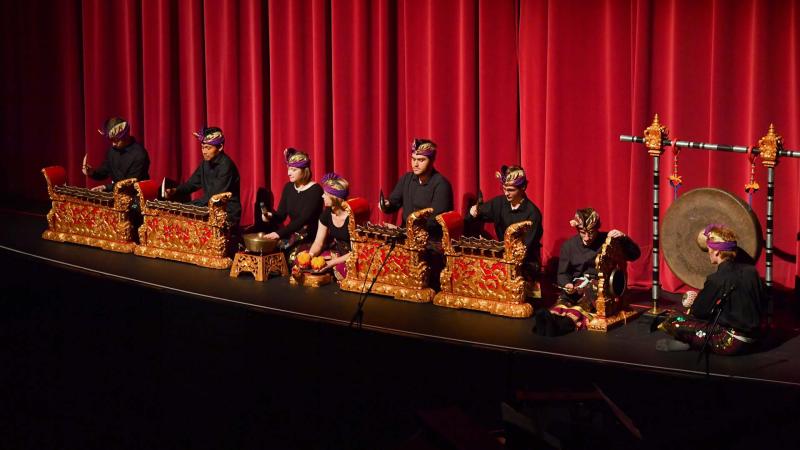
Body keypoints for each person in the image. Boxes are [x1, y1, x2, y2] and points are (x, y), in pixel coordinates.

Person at [654, 224, 765, 354]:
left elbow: (699, 312)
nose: (708, 253)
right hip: (757, 339)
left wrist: (693, 301)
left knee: (674, 319)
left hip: (730, 342)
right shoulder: (752, 271)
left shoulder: (716, 278)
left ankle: (689, 343)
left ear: (717, 251)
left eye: (708, 250)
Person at [533, 208, 640, 336]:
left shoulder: (608, 241)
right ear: (578, 230)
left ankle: (560, 326)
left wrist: (624, 238)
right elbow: (562, 273)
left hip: (600, 286)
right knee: (563, 302)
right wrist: (567, 284)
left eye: (591, 232)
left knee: (581, 307)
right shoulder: (569, 246)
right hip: (577, 285)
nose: (587, 237)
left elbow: (634, 255)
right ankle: (548, 320)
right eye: (583, 232)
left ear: (597, 228)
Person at [468, 165, 543, 274]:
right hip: (503, 259)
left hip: (525, 264)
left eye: (511, 190)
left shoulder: (533, 214)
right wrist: (473, 213)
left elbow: (523, 249)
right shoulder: (499, 203)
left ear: (523, 187)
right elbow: (477, 215)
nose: (506, 193)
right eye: (504, 189)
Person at [165, 127, 241, 226]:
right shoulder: (205, 163)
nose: (204, 151)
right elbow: (192, 184)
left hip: (226, 214)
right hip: (210, 210)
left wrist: (183, 207)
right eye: (202, 147)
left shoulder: (226, 166)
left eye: (208, 148)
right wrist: (175, 190)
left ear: (220, 147)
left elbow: (212, 197)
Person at [379, 138, 453, 237]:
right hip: (406, 236)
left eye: (421, 160)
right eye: (413, 159)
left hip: (430, 241)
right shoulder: (406, 179)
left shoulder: (441, 185)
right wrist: (386, 205)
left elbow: (435, 222)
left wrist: (404, 232)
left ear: (432, 161)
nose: (415, 164)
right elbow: (394, 202)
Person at [262, 148, 324, 254]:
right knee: (267, 250)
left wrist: (279, 233)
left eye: (294, 170)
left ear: (305, 170)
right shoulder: (289, 187)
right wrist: (270, 215)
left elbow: (303, 219)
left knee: (292, 258)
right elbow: (281, 215)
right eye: (289, 169)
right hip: (291, 233)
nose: (289, 173)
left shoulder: (316, 190)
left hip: (310, 238)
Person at [83, 117, 150, 192]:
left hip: (137, 196)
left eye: (116, 140)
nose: (113, 144)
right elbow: (104, 171)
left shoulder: (139, 154)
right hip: (117, 193)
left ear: (125, 136)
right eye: (111, 140)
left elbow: (130, 183)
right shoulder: (112, 151)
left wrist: (106, 187)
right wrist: (92, 172)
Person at [307, 173, 353, 279]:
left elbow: (357, 251)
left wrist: (331, 263)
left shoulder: (352, 217)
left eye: (325, 194)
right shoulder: (327, 213)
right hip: (337, 253)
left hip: (352, 256)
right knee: (305, 260)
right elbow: (318, 242)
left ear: (335, 197)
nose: (322, 196)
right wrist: (310, 255)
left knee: (341, 270)